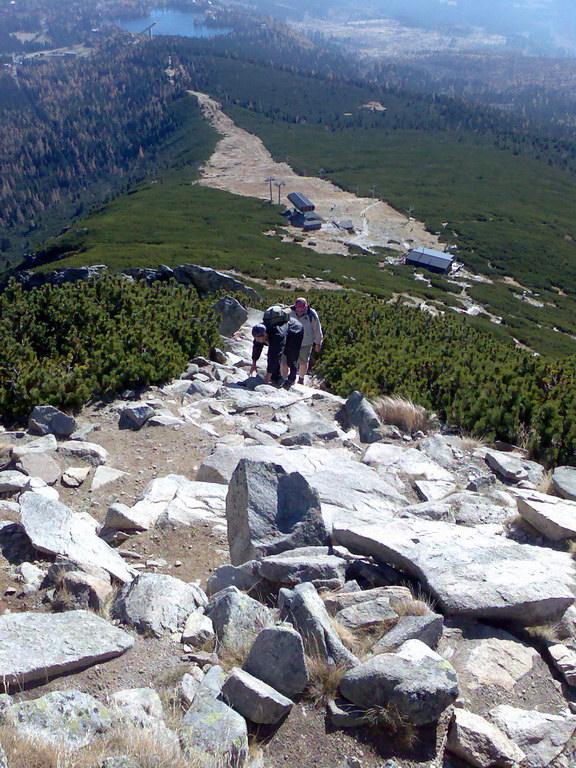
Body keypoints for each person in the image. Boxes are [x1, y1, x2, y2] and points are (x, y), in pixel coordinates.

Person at [250, 307, 304, 388]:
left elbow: (275, 355)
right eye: (255, 338)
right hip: (284, 331)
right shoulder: (259, 330)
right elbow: (256, 348)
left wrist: (266, 379)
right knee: (273, 356)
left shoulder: (277, 335)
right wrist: (254, 363)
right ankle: (276, 378)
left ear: (265, 334)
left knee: (290, 356)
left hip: (295, 331)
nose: (257, 340)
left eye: (258, 338)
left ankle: (291, 378)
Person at [289, 297, 323, 385]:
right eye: (298, 306)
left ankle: (301, 378)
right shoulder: (289, 312)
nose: (300, 309)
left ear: (306, 306)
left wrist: (318, 343)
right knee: (288, 360)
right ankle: (288, 376)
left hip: (306, 341)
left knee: (304, 361)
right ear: (295, 305)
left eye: (302, 307)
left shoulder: (311, 314)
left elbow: (317, 329)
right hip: (292, 341)